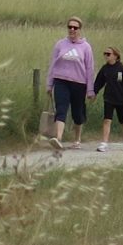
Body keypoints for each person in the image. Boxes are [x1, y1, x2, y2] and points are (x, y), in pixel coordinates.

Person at [45, 18, 95, 150]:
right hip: (61, 81)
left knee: (77, 113)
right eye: (70, 27)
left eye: (75, 27)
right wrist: (49, 84)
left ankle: (77, 139)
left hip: (79, 84)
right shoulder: (60, 44)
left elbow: (89, 69)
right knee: (61, 109)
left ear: (79, 30)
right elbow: (53, 64)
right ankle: (58, 138)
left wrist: (90, 90)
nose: (72, 29)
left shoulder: (86, 47)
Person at [92, 48, 123, 151]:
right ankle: (104, 143)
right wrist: (94, 92)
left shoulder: (121, 68)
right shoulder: (105, 69)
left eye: (108, 54)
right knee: (107, 120)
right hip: (108, 98)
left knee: (122, 120)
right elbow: (99, 81)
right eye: (105, 54)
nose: (106, 56)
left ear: (115, 56)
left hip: (121, 99)